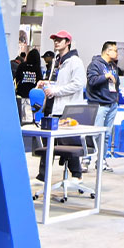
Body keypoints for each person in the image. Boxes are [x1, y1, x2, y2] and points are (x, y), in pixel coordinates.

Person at [35, 31, 85, 181]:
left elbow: (78, 84)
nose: (56, 42)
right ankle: (43, 176)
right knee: (48, 143)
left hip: (67, 108)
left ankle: (76, 174)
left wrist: (55, 91)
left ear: (68, 42)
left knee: (68, 144)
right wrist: (47, 83)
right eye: (55, 40)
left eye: (59, 40)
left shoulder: (75, 61)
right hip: (53, 107)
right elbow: (60, 83)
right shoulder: (57, 61)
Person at [85, 41, 119, 132]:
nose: (117, 53)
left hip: (112, 105)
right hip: (100, 105)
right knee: (97, 135)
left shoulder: (114, 66)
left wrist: (116, 100)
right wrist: (106, 76)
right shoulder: (94, 64)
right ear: (108, 51)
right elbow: (92, 81)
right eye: (115, 51)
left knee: (107, 135)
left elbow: (116, 84)